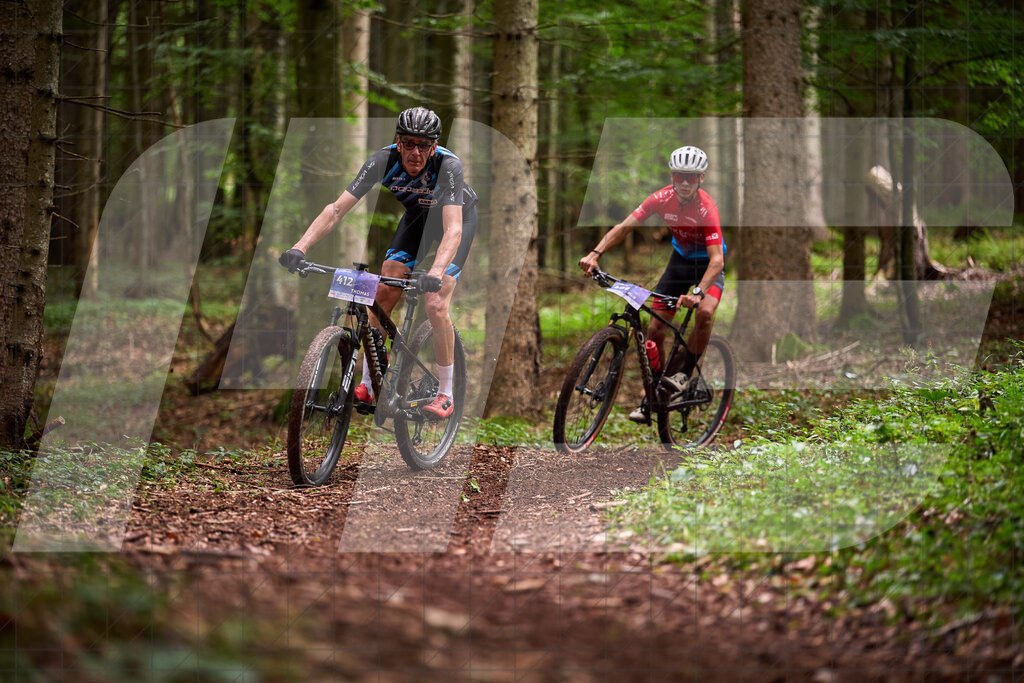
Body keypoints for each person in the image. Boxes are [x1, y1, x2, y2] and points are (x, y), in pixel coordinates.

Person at [279, 107, 477, 419]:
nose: (415, 152)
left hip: (455, 219)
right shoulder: (381, 161)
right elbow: (336, 210)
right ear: (398, 142)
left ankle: (446, 393)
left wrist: (436, 272)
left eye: (423, 145)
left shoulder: (448, 166)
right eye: (408, 143)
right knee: (382, 289)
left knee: (435, 303)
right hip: (417, 220)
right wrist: (299, 248)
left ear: (434, 147)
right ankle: (370, 383)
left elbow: (453, 229)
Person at [579, 145, 726, 423]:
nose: (684, 182)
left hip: (707, 267)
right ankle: (655, 394)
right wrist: (595, 254)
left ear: (701, 179)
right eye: (680, 176)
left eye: (691, 177)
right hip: (679, 263)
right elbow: (624, 227)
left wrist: (697, 292)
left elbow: (717, 260)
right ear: (672, 174)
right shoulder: (660, 199)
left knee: (705, 313)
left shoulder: (707, 208)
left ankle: (685, 371)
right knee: (656, 329)